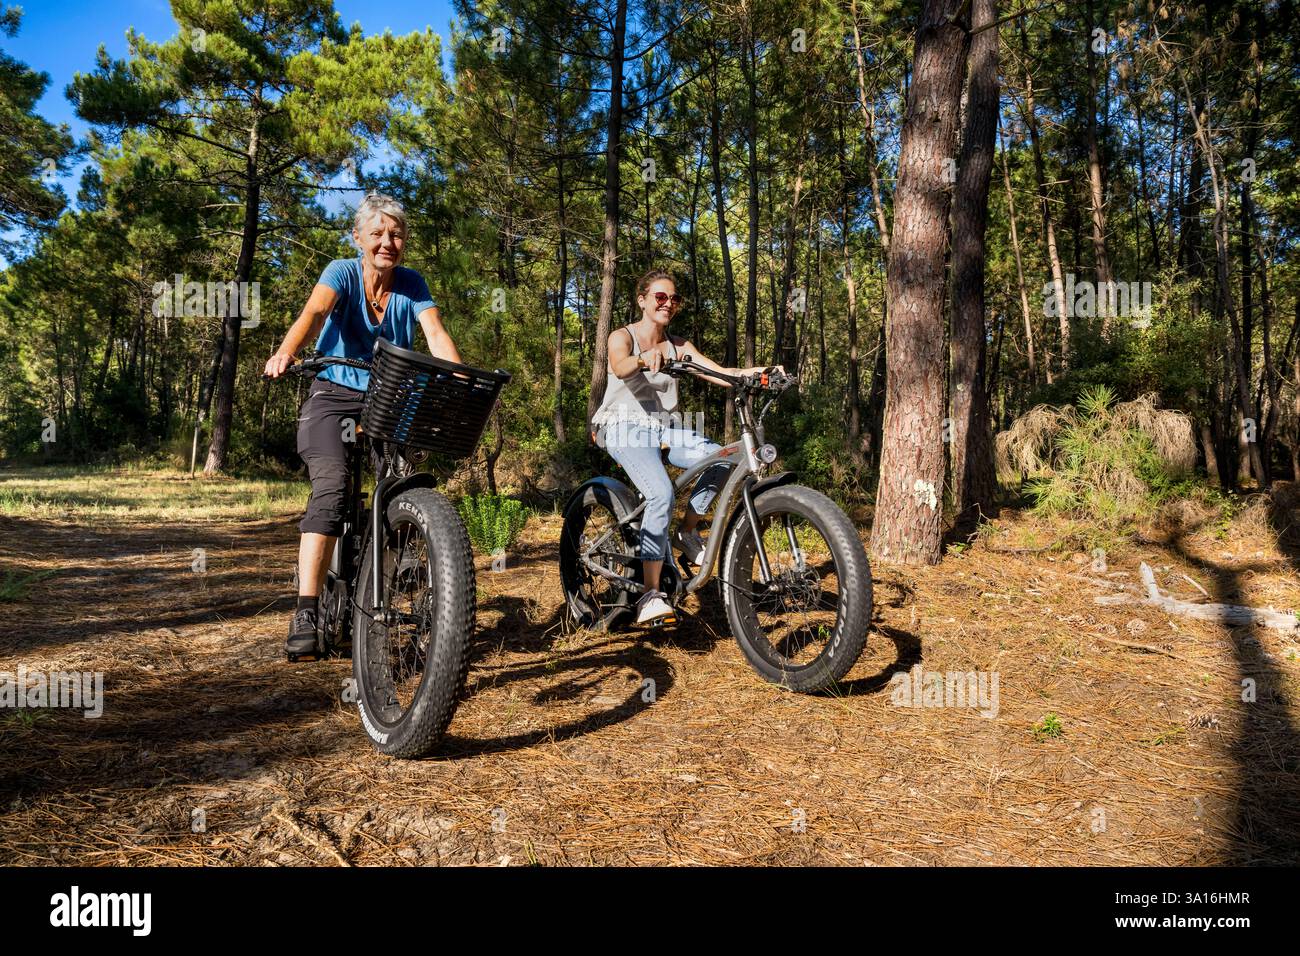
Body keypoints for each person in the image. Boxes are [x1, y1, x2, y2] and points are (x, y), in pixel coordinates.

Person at [264, 192, 463, 657]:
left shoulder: (412, 284)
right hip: (332, 393)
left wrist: (457, 378)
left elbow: (435, 333)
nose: (387, 242)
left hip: (387, 396)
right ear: (358, 238)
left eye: (395, 234)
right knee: (332, 491)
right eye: (377, 234)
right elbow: (313, 314)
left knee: (402, 481)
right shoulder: (341, 272)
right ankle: (307, 609)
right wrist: (287, 352)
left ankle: (397, 554)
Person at [591, 269, 781, 626]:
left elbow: (722, 372)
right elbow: (618, 365)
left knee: (724, 459)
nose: (668, 304)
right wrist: (642, 360)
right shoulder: (623, 336)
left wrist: (763, 372)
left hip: (664, 428)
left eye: (674, 299)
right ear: (643, 300)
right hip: (621, 426)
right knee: (661, 494)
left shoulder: (680, 346)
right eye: (660, 297)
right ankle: (649, 595)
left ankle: (687, 531)